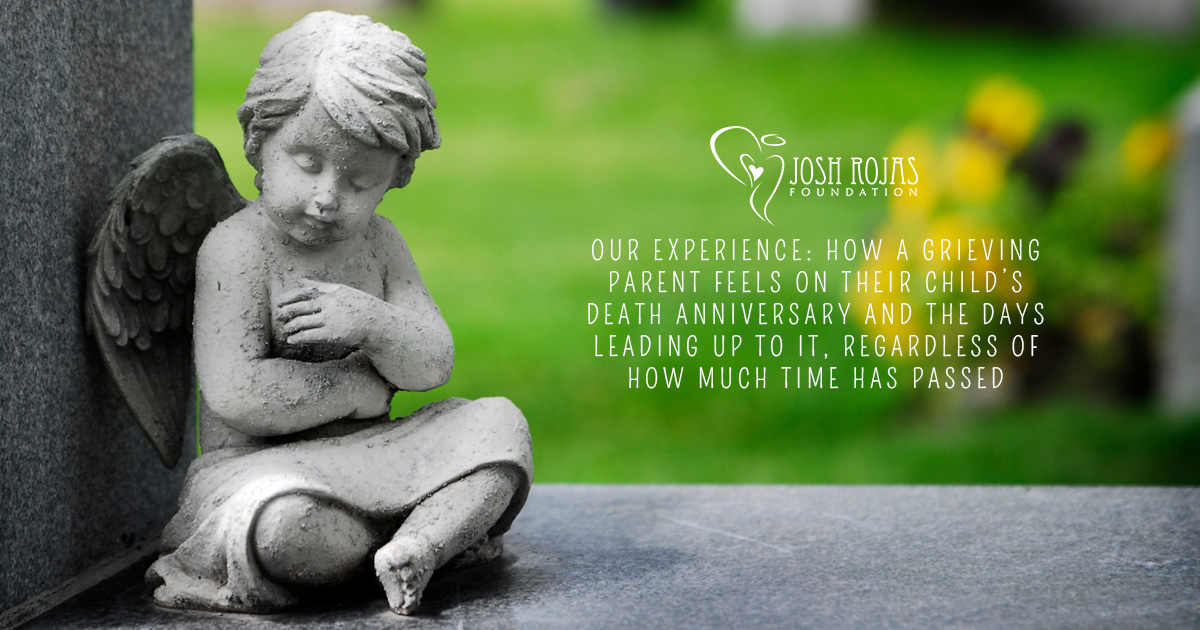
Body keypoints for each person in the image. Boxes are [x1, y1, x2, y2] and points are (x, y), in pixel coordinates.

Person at [146, 12, 532, 616]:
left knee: (498, 424)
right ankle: (419, 529)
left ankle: (418, 545)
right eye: (307, 164)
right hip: (260, 472)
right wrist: (353, 388)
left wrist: (372, 322)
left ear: (394, 179)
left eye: (360, 180)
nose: (328, 196)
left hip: (376, 454)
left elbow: (433, 361)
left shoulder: (380, 244)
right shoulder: (236, 248)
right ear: (260, 144)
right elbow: (236, 392)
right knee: (287, 529)